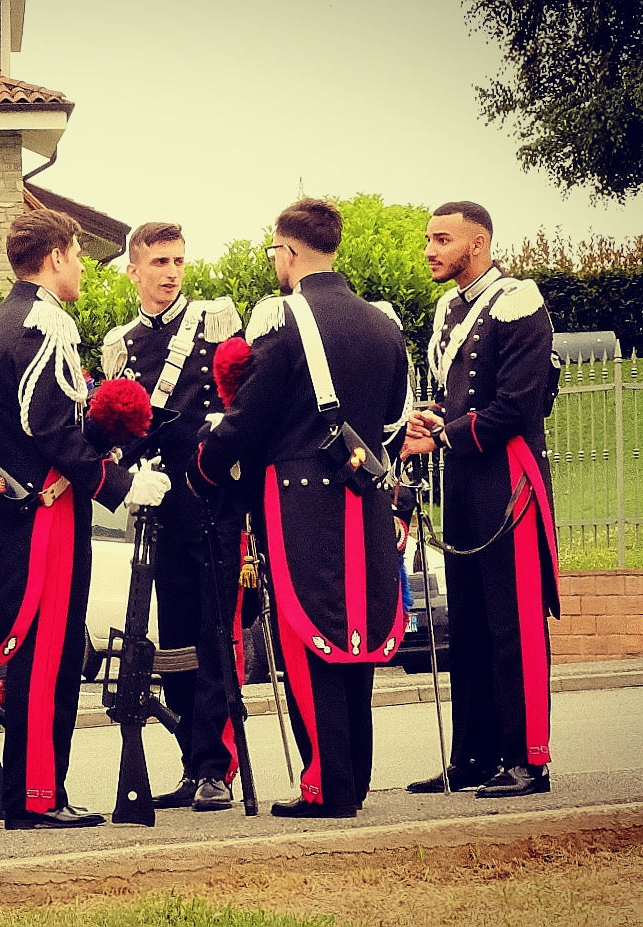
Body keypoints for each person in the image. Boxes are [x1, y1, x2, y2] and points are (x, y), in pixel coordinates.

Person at [188, 198, 409, 819]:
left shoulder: (281, 318)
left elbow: (252, 417)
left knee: (307, 635)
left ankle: (327, 786)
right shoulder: (383, 323)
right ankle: (352, 779)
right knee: (355, 634)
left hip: (296, 498)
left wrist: (206, 457)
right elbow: (391, 420)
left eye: (275, 254)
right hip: (362, 492)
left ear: (288, 252)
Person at [0, 208, 170, 830]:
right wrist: (124, 483)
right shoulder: (45, 322)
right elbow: (49, 428)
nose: (82, 266)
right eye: (78, 254)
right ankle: (38, 796)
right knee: (48, 654)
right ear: (55, 257)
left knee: (34, 652)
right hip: (45, 513)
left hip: (13, 508)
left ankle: (35, 791)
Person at [403, 201, 559, 799]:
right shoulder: (448, 308)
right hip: (465, 475)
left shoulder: (518, 300)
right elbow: (460, 397)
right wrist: (431, 418)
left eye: (442, 239)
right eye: (428, 239)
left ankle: (528, 758)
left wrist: (448, 433)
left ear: (478, 243)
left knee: (512, 618)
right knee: (466, 617)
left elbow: (518, 404)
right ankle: (473, 755)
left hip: (508, 473)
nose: (430, 250)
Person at [99, 222, 244, 812]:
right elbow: (121, 434)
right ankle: (192, 759)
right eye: (158, 261)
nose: (171, 272)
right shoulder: (120, 342)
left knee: (213, 636)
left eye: (178, 261)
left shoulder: (214, 326)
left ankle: (216, 768)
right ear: (133, 269)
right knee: (176, 641)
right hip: (159, 510)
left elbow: (238, 412)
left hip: (209, 504)